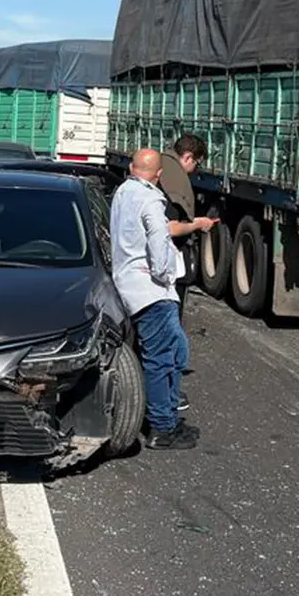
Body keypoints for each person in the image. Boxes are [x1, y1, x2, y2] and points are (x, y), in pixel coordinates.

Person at [110, 148, 199, 450]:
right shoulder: (151, 199)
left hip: (128, 284)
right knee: (161, 358)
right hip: (151, 291)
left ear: (132, 168)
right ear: (159, 174)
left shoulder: (122, 192)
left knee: (174, 351)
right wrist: (164, 275)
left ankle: (167, 416)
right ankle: (162, 427)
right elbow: (159, 239)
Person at [159, 133, 216, 326]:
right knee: (168, 322)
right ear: (188, 157)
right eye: (196, 164)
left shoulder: (160, 165)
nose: (194, 170)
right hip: (167, 264)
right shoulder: (175, 181)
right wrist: (199, 224)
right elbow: (171, 228)